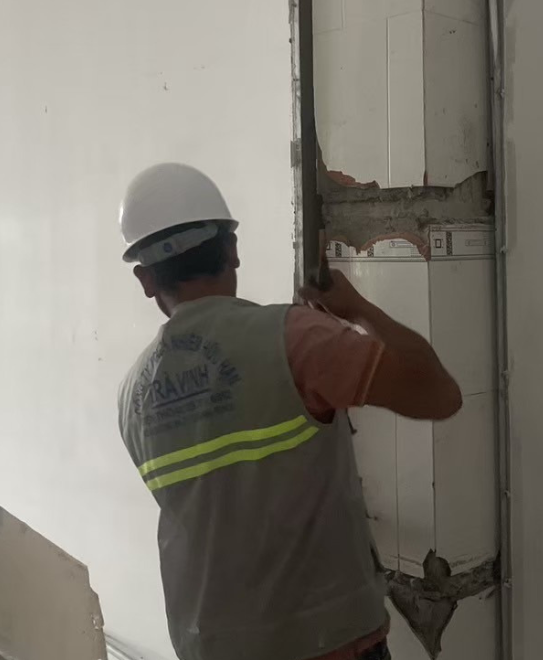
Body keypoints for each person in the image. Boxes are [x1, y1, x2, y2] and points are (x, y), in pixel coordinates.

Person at [116, 163, 463, 660]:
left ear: (146, 279)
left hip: (212, 646)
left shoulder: (134, 395)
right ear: (232, 250)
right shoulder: (297, 339)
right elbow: (439, 394)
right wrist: (356, 310)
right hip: (329, 642)